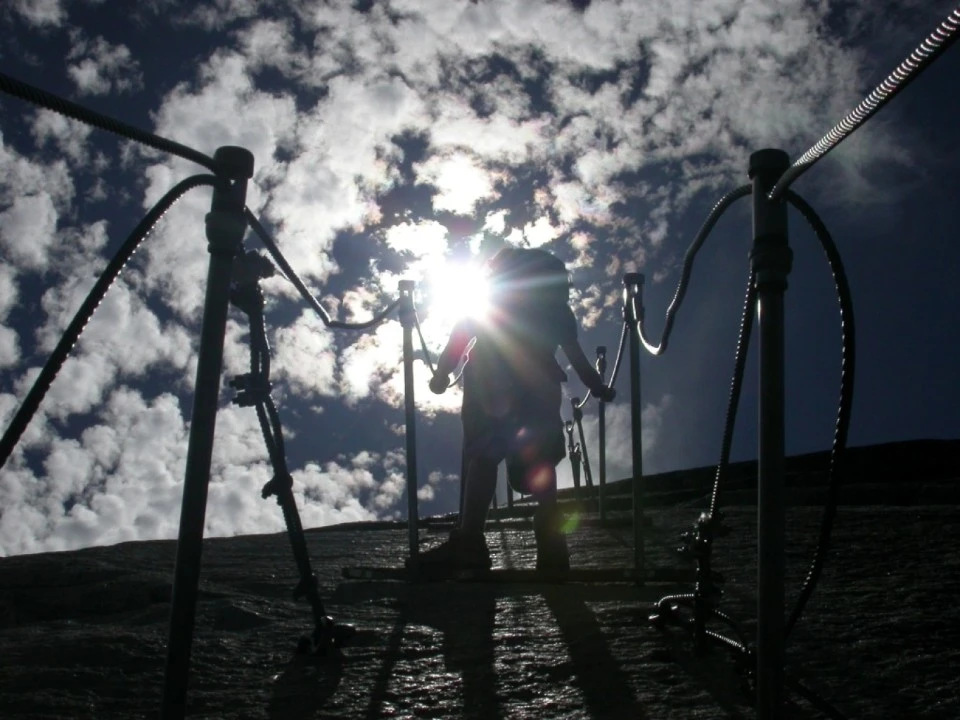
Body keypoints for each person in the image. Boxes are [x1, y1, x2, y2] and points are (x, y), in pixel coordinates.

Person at [421, 246, 614, 575]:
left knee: (484, 456)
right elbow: (576, 357)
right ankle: (551, 540)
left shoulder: (489, 301)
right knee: (539, 457)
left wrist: (442, 375)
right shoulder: (555, 310)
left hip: (490, 384)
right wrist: (596, 386)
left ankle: (470, 542)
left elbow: (458, 341)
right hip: (536, 384)